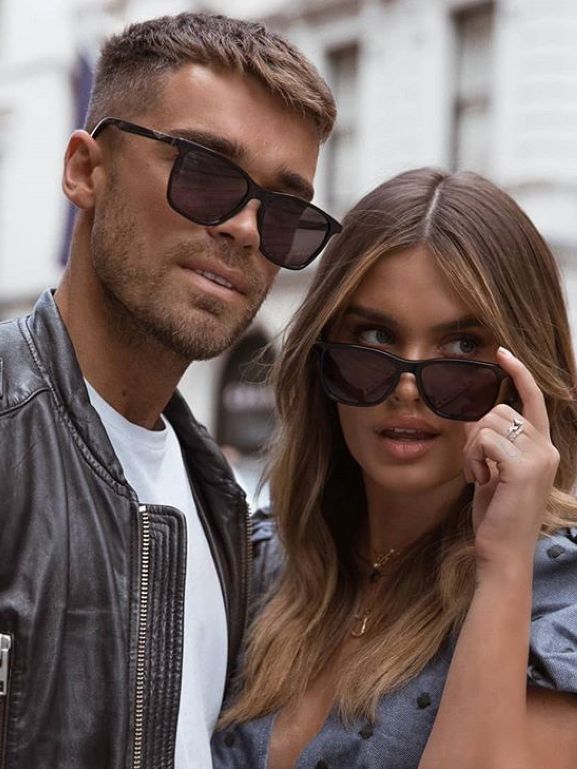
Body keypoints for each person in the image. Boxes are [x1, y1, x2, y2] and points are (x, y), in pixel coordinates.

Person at [0, 12, 340, 769]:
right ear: (86, 170)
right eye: (206, 172)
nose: (248, 228)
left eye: (285, 211)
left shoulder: (222, 507)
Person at [211, 167, 577, 769]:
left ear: (524, 377)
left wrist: (504, 566)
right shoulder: (261, 563)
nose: (407, 387)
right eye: (375, 337)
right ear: (322, 358)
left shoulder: (557, 602)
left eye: (461, 348)